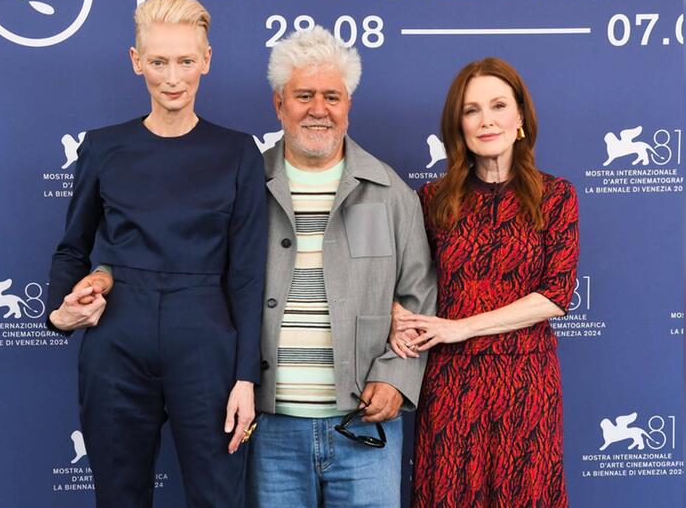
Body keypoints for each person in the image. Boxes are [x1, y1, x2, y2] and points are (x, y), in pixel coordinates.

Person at [44, 0, 267, 508]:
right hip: (116, 342)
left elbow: (249, 274)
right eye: (159, 62)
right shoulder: (102, 147)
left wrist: (245, 378)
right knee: (119, 498)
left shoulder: (238, 153)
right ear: (136, 61)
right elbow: (70, 250)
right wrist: (60, 313)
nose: (173, 78)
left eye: (186, 61)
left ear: (206, 61)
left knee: (218, 498)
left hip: (208, 345)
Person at [248, 26, 437, 507]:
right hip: (269, 429)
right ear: (279, 104)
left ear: (348, 104)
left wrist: (396, 377)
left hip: (364, 428)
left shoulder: (390, 191)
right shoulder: (244, 187)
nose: (318, 109)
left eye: (332, 96)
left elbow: (418, 298)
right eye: (303, 95)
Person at [389, 57, 580, 507]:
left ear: (520, 119)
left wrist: (461, 326)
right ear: (459, 126)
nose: (485, 120)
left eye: (498, 105)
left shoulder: (557, 196)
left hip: (526, 383)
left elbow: (555, 295)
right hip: (451, 383)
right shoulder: (432, 200)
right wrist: (396, 315)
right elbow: (399, 279)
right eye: (471, 110)